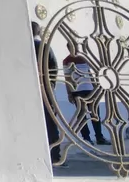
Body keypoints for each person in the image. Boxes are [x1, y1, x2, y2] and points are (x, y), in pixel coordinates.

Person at [32, 22, 63, 165]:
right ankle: (55, 155)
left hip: (30, 89)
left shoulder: (26, 47)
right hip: (46, 88)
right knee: (51, 122)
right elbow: (54, 67)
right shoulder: (45, 47)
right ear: (39, 32)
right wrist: (51, 85)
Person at [63, 52, 108, 146]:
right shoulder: (67, 61)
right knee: (82, 115)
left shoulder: (85, 58)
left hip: (90, 89)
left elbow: (90, 73)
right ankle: (86, 138)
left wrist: (96, 87)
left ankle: (99, 137)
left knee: (95, 114)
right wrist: (69, 93)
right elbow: (67, 78)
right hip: (77, 90)